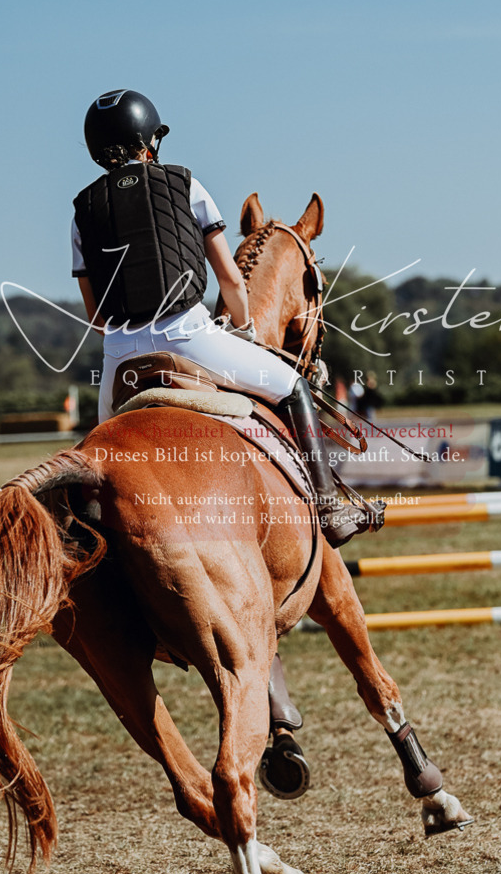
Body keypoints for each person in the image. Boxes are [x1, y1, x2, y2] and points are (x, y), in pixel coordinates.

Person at [72, 89, 380, 548]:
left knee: (98, 457)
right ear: (149, 141)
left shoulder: (82, 211)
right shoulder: (186, 185)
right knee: (293, 386)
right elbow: (232, 283)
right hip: (189, 337)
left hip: (120, 354)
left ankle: (92, 545)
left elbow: (96, 315)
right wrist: (244, 328)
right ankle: (328, 505)